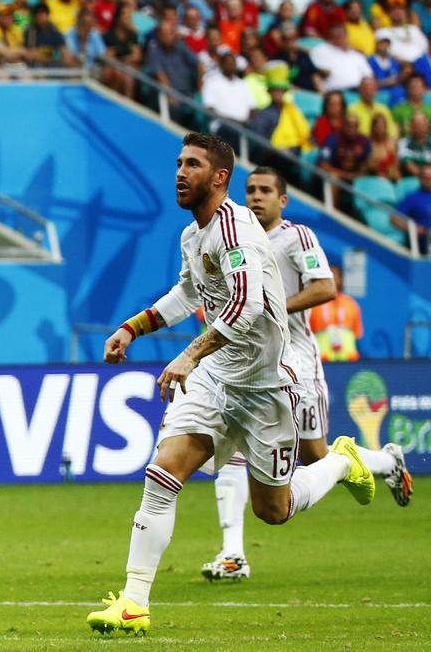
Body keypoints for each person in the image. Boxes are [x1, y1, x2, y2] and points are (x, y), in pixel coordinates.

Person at [87, 133, 381, 637]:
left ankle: (341, 462)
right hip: (217, 380)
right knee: (162, 475)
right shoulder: (192, 236)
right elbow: (186, 294)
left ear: (219, 178)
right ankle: (134, 603)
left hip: (266, 387)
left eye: (193, 164)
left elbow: (245, 309)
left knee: (275, 510)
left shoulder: (237, 230)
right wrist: (131, 327)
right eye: (178, 163)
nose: (180, 172)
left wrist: (186, 354)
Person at [201, 167, 412, 582]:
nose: (256, 197)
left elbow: (324, 289)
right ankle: (233, 554)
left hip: (295, 360)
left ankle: (387, 461)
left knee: (316, 456)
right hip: (248, 361)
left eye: (265, 191)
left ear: (283, 200)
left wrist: (269, 306)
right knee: (229, 447)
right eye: (250, 190)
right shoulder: (235, 235)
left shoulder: (297, 237)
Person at [310, 263, 364, 361]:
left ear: (342, 279)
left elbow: (357, 334)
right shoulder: (315, 304)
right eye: (328, 275)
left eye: (335, 275)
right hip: (322, 360)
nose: (332, 279)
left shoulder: (351, 304)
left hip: (348, 360)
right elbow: (309, 334)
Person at [393, 163, 431, 251]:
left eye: (430, 176)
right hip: (425, 241)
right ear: (419, 178)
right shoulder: (412, 198)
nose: (428, 179)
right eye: (425, 176)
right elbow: (394, 219)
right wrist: (413, 229)